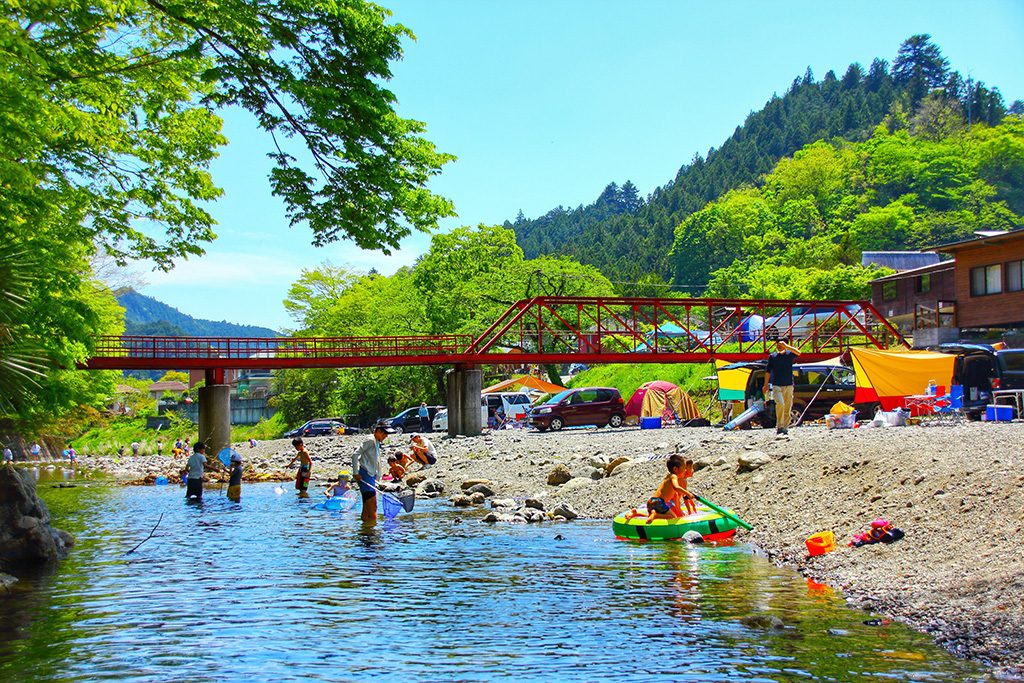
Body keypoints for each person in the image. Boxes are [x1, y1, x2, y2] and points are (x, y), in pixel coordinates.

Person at [626, 454, 691, 523]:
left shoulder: (668, 478)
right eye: (684, 468)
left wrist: (682, 514)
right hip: (659, 502)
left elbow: (677, 504)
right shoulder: (673, 476)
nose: (685, 470)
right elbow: (676, 487)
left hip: (651, 501)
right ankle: (656, 515)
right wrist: (688, 493)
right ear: (675, 469)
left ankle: (635, 514)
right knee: (672, 517)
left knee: (650, 517)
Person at [353, 422, 393, 523]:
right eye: (384, 434)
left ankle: (365, 532)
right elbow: (355, 454)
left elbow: (375, 459)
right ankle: (372, 533)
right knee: (373, 508)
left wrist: (377, 476)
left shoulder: (376, 441)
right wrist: (355, 472)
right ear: (378, 431)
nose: (386, 436)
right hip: (365, 475)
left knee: (367, 508)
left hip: (370, 476)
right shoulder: (370, 440)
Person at [763, 337, 801, 435]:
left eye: (781, 345)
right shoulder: (773, 356)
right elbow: (767, 371)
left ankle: (785, 427)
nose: (779, 347)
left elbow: (798, 352)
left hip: (788, 384)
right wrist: (765, 384)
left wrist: (787, 346)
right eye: (778, 345)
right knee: (780, 404)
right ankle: (779, 425)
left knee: (787, 406)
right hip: (777, 385)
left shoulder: (789, 355)